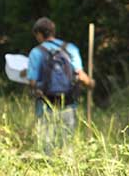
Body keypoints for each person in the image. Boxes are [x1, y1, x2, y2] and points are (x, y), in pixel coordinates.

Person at [26, 17, 95, 152]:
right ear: (53, 31)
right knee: (67, 145)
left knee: (47, 148)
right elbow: (81, 76)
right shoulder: (70, 48)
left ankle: (48, 170)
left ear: (39, 34)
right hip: (68, 104)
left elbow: (32, 82)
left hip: (45, 105)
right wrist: (91, 83)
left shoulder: (36, 52)